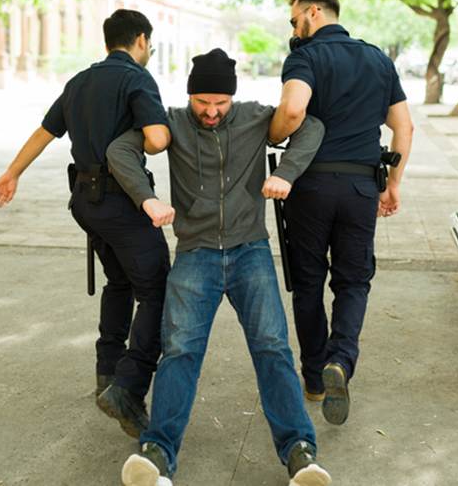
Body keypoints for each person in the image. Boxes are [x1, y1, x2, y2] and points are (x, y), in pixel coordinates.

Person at [107, 49, 332, 486]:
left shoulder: (254, 118)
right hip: (196, 254)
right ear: (189, 95)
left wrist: (286, 172)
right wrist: (147, 198)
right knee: (180, 353)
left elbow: (313, 126)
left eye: (220, 103)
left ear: (234, 97)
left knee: (273, 350)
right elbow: (121, 149)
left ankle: (300, 455)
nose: (211, 112)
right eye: (202, 102)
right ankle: (157, 454)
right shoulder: (170, 122)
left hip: (251, 252)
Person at [0, 9, 175, 439]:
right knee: (157, 291)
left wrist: (11, 173)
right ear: (141, 40)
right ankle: (127, 388)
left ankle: (106, 370)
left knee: (120, 282)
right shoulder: (137, 79)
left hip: (85, 202)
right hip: (123, 203)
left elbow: (45, 131)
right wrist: (142, 137)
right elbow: (158, 139)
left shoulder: (79, 82)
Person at [270, 0, 414, 426]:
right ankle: (342, 361)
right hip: (359, 190)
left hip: (310, 187)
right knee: (353, 281)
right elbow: (403, 128)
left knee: (308, 281)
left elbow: (293, 111)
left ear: (313, 13)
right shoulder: (377, 59)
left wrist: (274, 136)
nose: (294, 29)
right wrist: (393, 184)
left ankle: (314, 378)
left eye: (294, 20)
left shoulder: (305, 57)